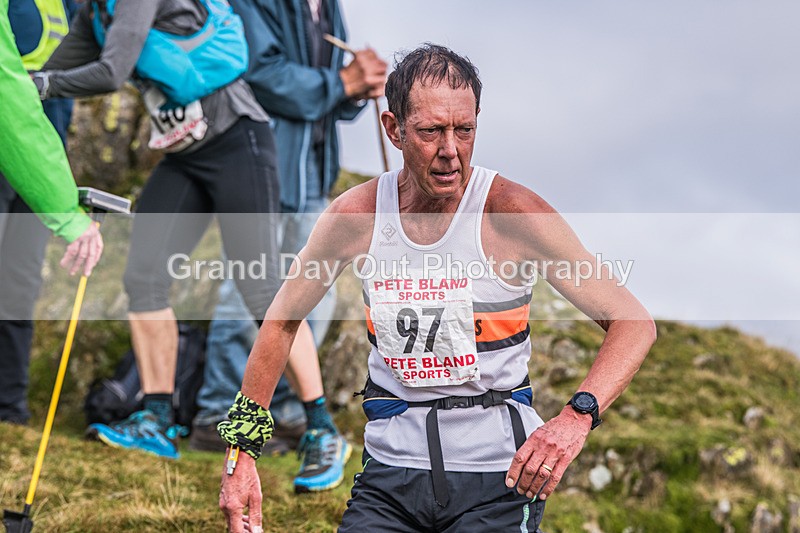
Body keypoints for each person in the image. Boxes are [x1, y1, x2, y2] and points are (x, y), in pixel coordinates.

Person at [217, 44, 657, 532]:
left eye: (464, 130)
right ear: (394, 130)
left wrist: (577, 418)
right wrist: (242, 454)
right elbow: (281, 321)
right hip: (389, 479)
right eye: (430, 132)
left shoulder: (511, 214)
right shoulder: (356, 217)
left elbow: (633, 322)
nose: (451, 151)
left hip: (500, 481)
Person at [33, 0, 291, 459]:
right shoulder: (93, 14)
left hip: (239, 135)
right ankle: (156, 420)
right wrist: (24, 85)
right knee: (144, 276)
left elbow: (110, 74)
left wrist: (44, 84)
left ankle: (320, 426)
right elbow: (49, 74)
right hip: (186, 153)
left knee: (261, 290)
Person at [190, 0, 386, 493]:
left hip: (311, 174)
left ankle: (281, 412)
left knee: (309, 301)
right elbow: (262, 74)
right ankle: (219, 411)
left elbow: (331, 100)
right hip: (263, 168)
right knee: (250, 291)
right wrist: (343, 82)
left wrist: (356, 87)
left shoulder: (327, 8)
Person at [0, 0, 103, 424]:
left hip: (44, 154)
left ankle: (9, 408)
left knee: (19, 280)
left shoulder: (73, 5)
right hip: (17, 146)